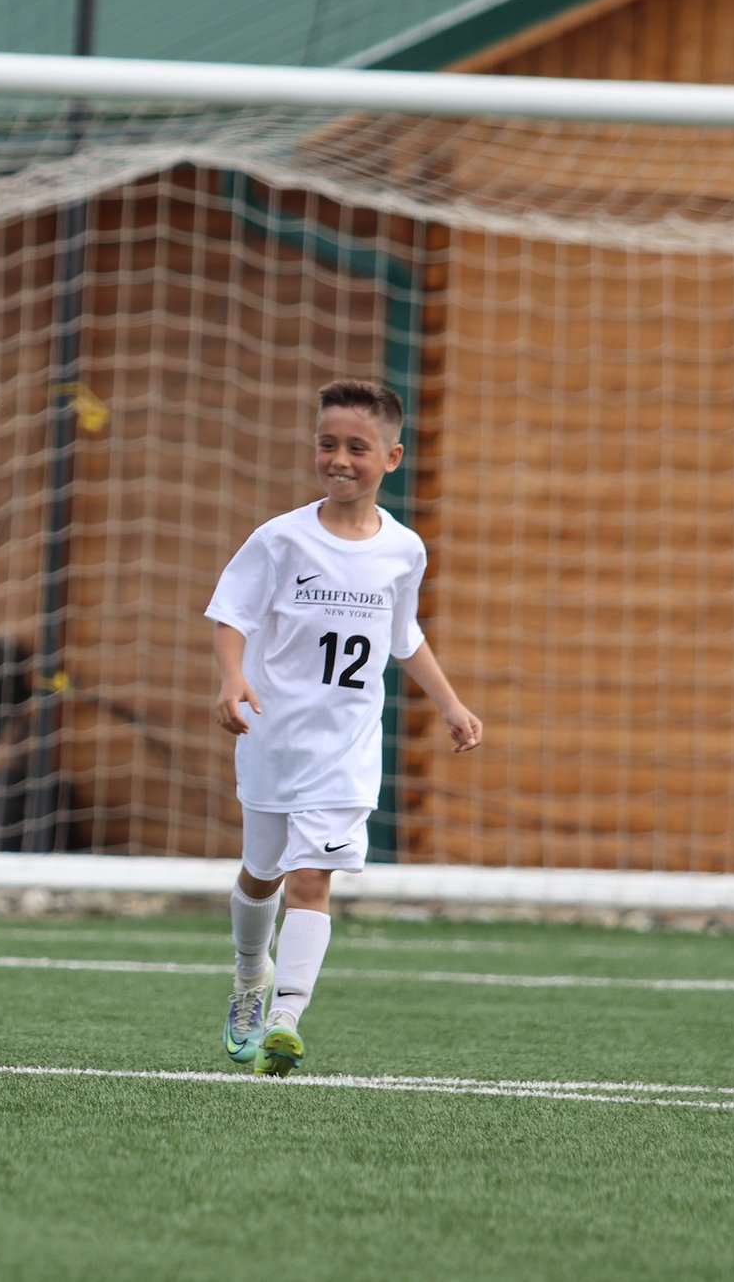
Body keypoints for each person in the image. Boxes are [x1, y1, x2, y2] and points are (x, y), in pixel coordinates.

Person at [206, 378, 482, 1076]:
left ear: (391, 457)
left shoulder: (404, 551)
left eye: (356, 447)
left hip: (346, 750)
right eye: (327, 443)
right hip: (273, 737)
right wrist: (232, 677)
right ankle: (248, 977)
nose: (339, 458)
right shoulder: (280, 540)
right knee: (261, 874)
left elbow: (403, 634)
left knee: (311, 878)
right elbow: (232, 613)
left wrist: (450, 703)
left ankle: (284, 1018)